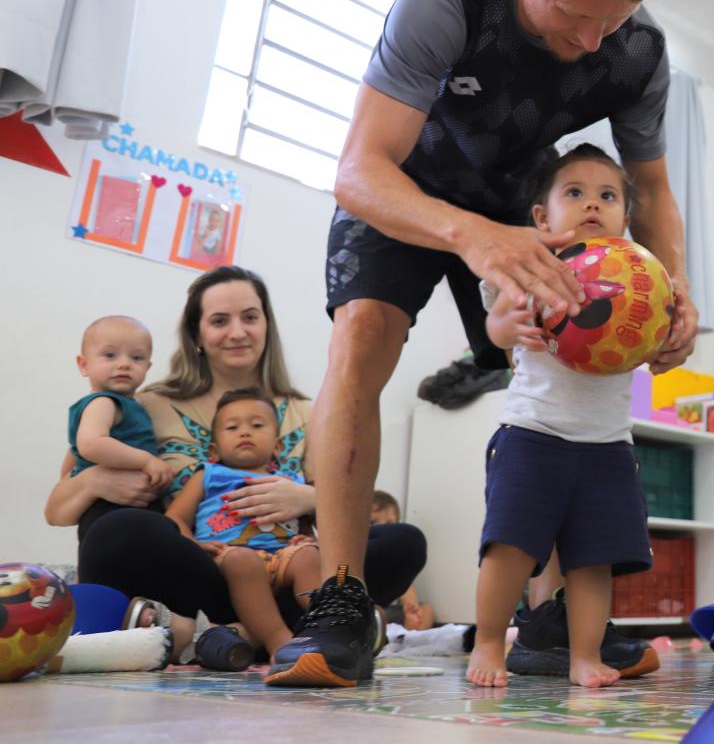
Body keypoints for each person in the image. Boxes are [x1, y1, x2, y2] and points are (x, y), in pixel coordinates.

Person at [278, 0, 698, 687]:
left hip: (523, 201)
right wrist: (472, 238)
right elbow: (360, 169)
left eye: (608, 25)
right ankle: (340, 599)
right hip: (405, 188)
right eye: (572, 15)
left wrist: (674, 293)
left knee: (551, 363)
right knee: (362, 338)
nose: (589, 43)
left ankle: (545, 622)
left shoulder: (638, 49)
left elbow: (650, 190)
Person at [43, 266, 427, 678]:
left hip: (285, 570)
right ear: (196, 335)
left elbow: (351, 507)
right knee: (113, 530)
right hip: (198, 571)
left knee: (403, 541)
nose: (237, 332)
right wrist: (92, 480)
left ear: (266, 325)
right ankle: (301, 631)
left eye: (249, 317)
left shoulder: (309, 412)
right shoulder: (145, 404)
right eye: (219, 320)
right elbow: (58, 511)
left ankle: (211, 635)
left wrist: (309, 498)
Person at [467, 143, 661, 689]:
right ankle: (488, 642)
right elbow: (496, 327)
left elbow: (651, 339)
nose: (592, 205)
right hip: (534, 432)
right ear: (541, 216)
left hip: (607, 444)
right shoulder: (531, 266)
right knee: (510, 545)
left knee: (593, 561)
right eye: (573, 193)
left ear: (626, 218)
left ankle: (583, 655)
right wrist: (510, 328)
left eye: (607, 196)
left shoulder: (638, 278)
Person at [164, 388, 323, 664]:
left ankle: (326, 628)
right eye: (232, 427)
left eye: (257, 425)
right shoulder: (208, 474)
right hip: (230, 556)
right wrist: (194, 544)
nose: (245, 432)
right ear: (214, 449)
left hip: (283, 557)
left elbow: (304, 524)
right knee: (242, 560)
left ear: (277, 446)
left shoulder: (290, 480)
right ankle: (279, 642)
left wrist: (307, 540)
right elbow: (174, 519)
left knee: (310, 556)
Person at [68, 316, 170, 535]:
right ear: (84, 364)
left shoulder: (128, 404)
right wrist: (146, 461)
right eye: (110, 355)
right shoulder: (103, 402)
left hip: (127, 505)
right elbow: (91, 444)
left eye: (136, 358)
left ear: (147, 367)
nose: (124, 364)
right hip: (109, 507)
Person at [370, 490, 434, 631]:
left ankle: (413, 630)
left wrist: (411, 606)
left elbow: (406, 587)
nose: (383, 529)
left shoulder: (395, 556)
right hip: (367, 610)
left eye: (390, 524)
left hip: (389, 612)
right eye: (373, 523)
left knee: (427, 609)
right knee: (377, 616)